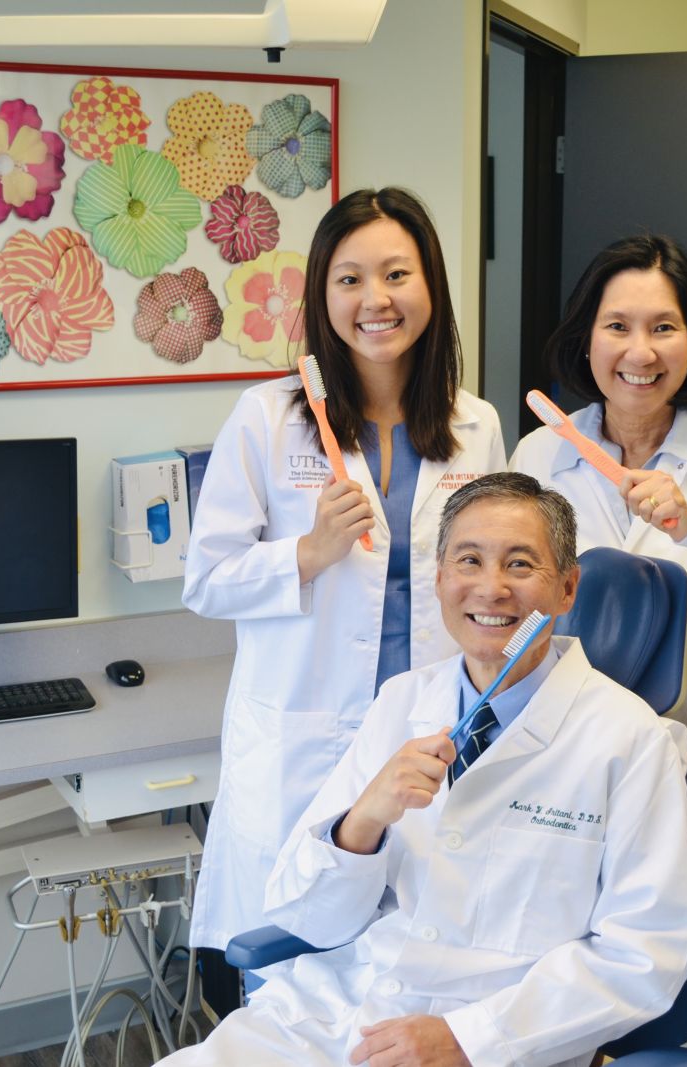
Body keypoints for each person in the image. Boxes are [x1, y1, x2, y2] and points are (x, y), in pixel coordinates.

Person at [161, 473, 687, 1067]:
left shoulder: (631, 738)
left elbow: (644, 958)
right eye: (469, 560)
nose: (491, 589)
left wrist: (470, 1038)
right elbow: (306, 915)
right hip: (331, 1016)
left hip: (494, 1039)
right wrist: (362, 821)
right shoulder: (403, 702)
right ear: (440, 578)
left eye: (521, 565)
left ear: (567, 589)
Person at [182, 188, 506, 965]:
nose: (375, 300)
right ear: (323, 293)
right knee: (293, 969)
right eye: (350, 278)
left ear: (430, 285)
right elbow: (206, 581)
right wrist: (310, 551)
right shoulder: (266, 417)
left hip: (427, 741)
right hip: (304, 739)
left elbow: (489, 582)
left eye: (397, 274)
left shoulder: (476, 424)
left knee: (412, 961)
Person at [510, 234, 687, 716]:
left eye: (663, 327)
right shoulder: (538, 456)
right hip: (559, 745)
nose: (641, 354)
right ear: (586, 340)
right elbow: (510, 612)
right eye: (617, 326)